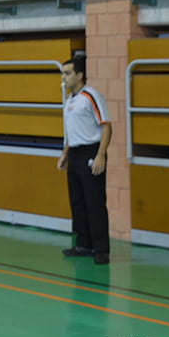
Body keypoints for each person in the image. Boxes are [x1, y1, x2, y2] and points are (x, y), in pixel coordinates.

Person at [57, 57, 112, 265]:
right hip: (75, 154)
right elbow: (71, 131)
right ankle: (83, 244)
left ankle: (101, 249)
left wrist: (100, 154)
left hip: (91, 153)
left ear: (79, 75)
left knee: (94, 202)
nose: (64, 77)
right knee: (78, 201)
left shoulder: (91, 96)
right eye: (62, 73)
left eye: (67, 73)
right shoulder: (69, 100)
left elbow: (106, 126)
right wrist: (65, 154)